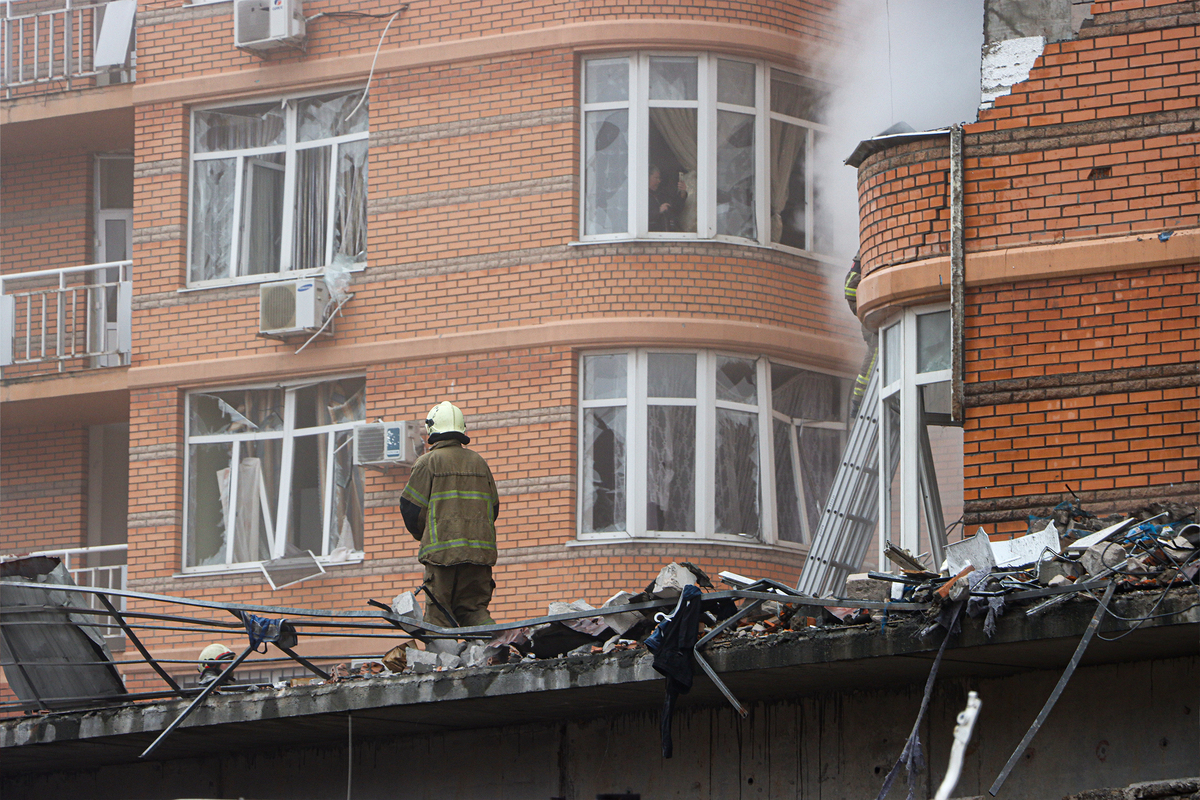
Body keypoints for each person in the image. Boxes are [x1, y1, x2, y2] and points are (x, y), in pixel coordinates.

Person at [399, 401, 500, 628]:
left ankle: (444, 653)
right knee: (474, 610)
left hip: (442, 556)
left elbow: (411, 509)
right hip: (479, 555)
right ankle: (491, 646)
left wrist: (427, 534)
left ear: (432, 428)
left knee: (439, 615)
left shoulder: (428, 463)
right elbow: (492, 508)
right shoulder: (479, 463)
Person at [648, 165, 688, 232]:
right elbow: (639, 218)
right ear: (647, 178)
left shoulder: (661, 194)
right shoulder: (640, 196)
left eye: (659, 178)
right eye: (656, 178)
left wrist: (682, 193)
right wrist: (658, 211)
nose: (659, 181)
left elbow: (676, 209)